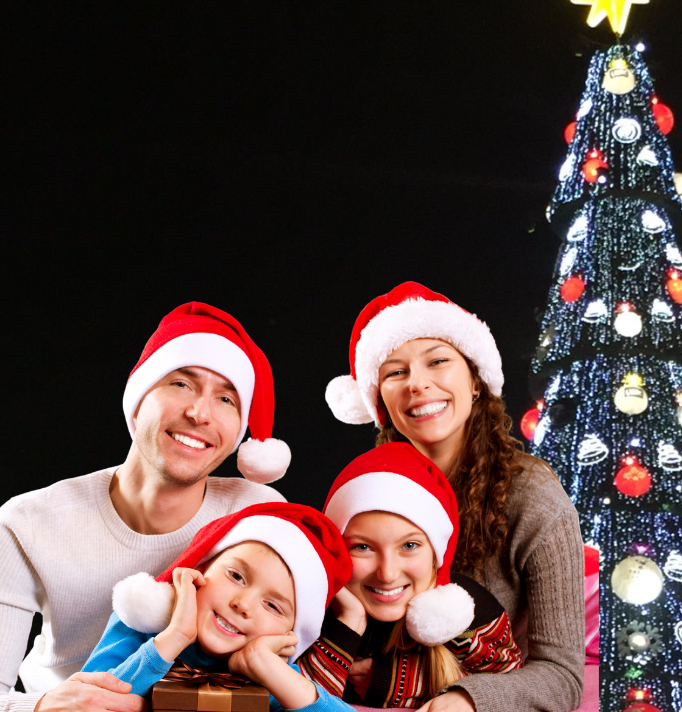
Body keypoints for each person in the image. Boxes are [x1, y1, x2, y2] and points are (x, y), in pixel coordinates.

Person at [0, 302, 293, 712]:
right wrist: (41, 707)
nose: (199, 413)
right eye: (181, 384)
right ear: (139, 397)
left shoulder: (259, 513)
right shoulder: (26, 523)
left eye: (226, 398)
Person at [324, 282, 584, 712]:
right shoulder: (365, 491)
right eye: (395, 372)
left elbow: (563, 675)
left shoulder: (535, 498)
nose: (418, 385)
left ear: (476, 381)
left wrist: (466, 700)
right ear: (379, 401)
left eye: (438, 361)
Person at [298, 441, 522, 708]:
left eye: (409, 545)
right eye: (362, 547)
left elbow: (515, 687)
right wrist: (349, 619)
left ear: (436, 553)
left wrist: (400, 681)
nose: (388, 573)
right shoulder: (314, 611)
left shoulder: (466, 612)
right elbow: (298, 700)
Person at [85, 503, 352, 712]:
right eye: (236, 576)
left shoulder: (269, 672)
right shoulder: (140, 632)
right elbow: (83, 703)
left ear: (289, 632)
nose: (243, 604)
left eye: (272, 605)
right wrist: (174, 638)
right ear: (200, 570)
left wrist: (265, 664)